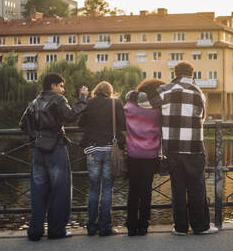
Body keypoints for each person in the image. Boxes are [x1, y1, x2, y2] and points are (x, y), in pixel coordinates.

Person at [128, 61, 218, 235]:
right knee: (197, 187)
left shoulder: (166, 90)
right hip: (194, 147)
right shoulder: (199, 92)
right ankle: (200, 226)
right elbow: (203, 118)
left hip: (173, 148)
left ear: (175, 73)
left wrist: (131, 94)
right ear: (192, 74)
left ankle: (181, 227)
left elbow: (145, 102)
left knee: (178, 187)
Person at [19, 73, 88, 241]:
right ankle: (56, 231)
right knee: (60, 191)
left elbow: (23, 124)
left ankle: (35, 231)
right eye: (61, 86)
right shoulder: (58, 99)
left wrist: (36, 136)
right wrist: (83, 97)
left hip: (38, 150)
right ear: (53, 86)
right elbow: (71, 116)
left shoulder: (34, 102)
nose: (63, 90)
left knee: (38, 191)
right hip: (56, 149)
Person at [79, 81, 125, 236]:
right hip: (109, 150)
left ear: (96, 90)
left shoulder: (89, 103)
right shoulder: (115, 103)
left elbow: (81, 123)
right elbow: (123, 124)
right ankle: (105, 227)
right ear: (110, 92)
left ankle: (91, 227)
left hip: (92, 150)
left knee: (93, 189)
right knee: (107, 189)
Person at [124, 78, 165, 236]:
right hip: (151, 154)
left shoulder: (129, 106)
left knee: (133, 190)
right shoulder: (157, 109)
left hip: (133, 153)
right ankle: (143, 226)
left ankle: (131, 225)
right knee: (146, 190)